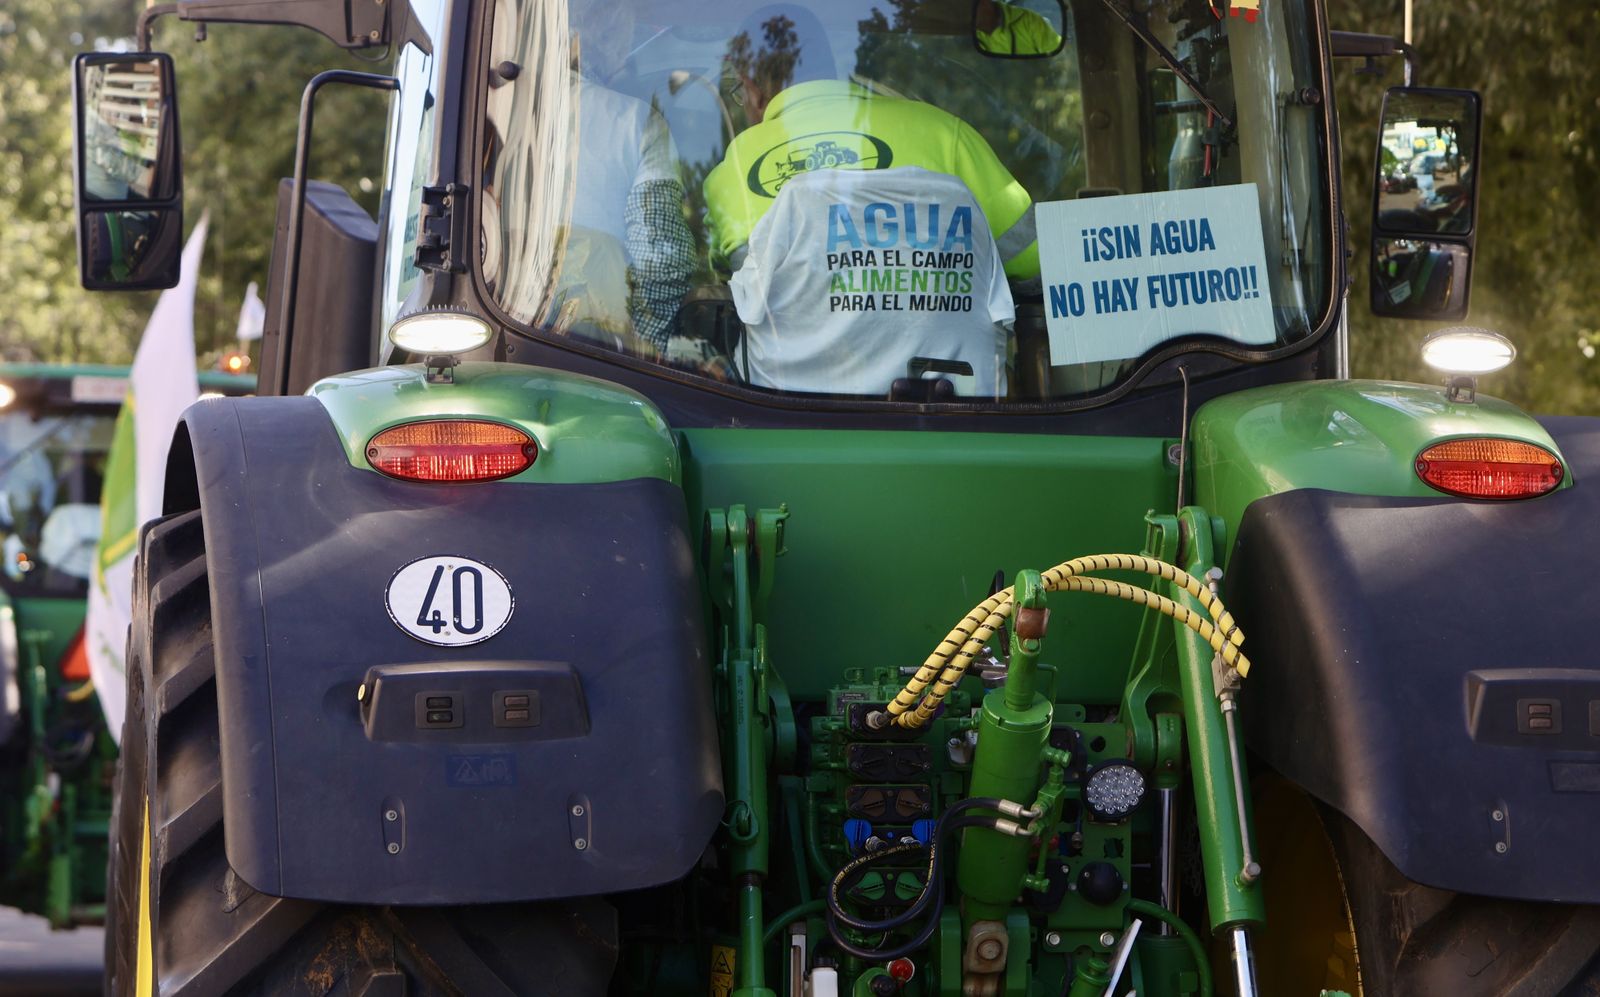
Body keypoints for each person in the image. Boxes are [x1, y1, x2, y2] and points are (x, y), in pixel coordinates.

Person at [702, 5, 1040, 395]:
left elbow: (731, 290)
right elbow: (1033, 263)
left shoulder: (735, 166)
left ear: (752, 88)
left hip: (794, 425)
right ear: (828, 68)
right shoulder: (946, 134)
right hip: (952, 422)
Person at [974, 0, 1063, 56]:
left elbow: (1060, 56)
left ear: (984, 3)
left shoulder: (1030, 21)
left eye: (969, 7)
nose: (965, 13)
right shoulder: (968, 36)